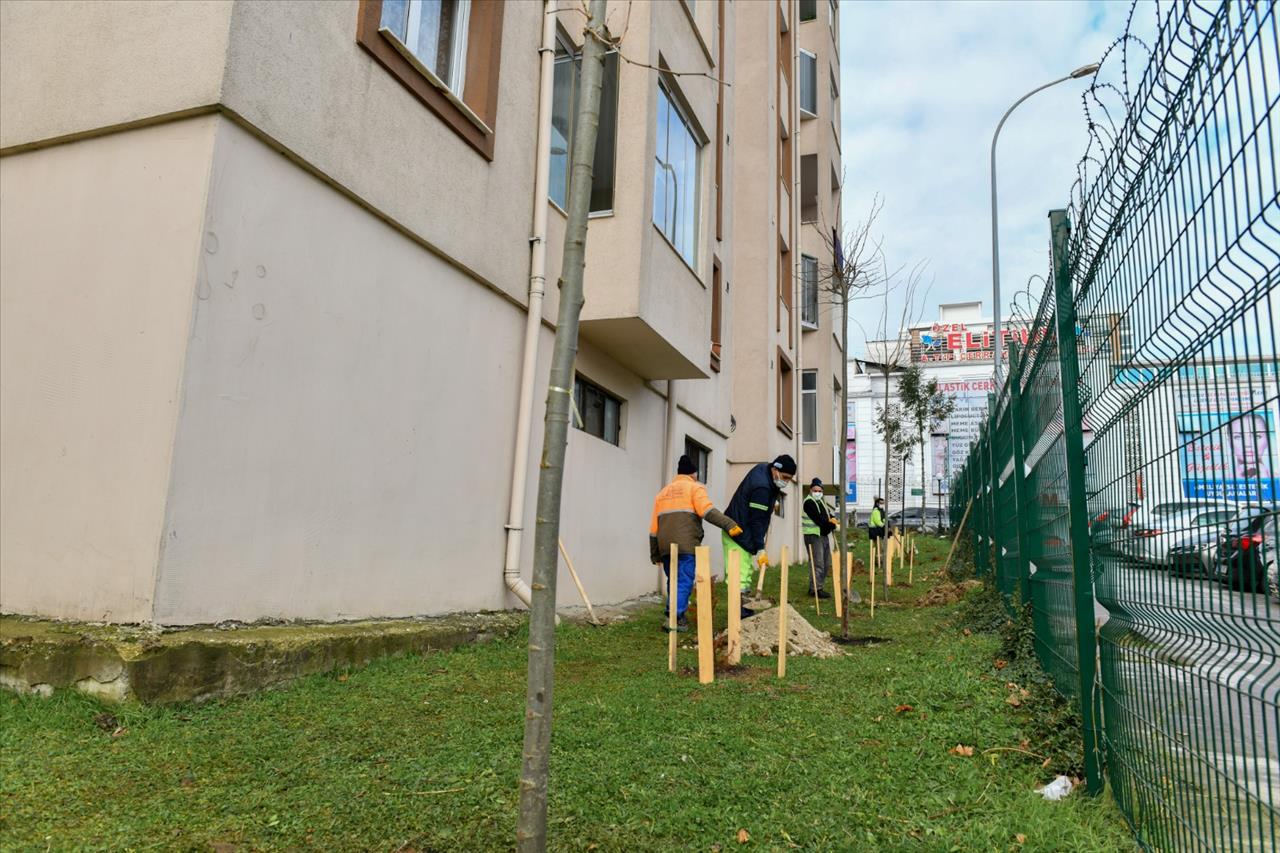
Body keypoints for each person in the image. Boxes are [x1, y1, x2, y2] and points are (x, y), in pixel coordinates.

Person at [649, 455, 742, 631]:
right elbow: (707, 511)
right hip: (686, 544)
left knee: (673, 580)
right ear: (693, 474)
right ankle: (675, 618)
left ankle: (673, 612)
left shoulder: (662, 493)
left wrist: (655, 553)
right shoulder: (694, 488)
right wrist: (729, 524)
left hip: (664, 545)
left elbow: (653, 527)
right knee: (684, 579)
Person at [724, 454, 797, 617]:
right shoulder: (762, 487)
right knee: (739, 572)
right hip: (738, 531)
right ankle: (738, 612)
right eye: (784, 477)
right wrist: (760, 548)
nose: (785, 481)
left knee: (746, 569)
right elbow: (756, 520)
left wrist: (771, 502)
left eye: (789, 479)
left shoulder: (764, 470)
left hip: (743, 527)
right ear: (775, 470)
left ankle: (744, 605)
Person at [803, 478, 838, 598]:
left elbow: (828, 515)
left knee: (826, 563)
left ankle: (820, 586)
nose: (817, 492)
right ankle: (815, 589)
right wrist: (831, 524)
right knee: (817, 562)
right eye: (815, 490)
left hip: (823, 535)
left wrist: (832, 519)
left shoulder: (821, 502)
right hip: (813, 535)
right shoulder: (809, 503)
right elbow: (819, 520)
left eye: (820, 490)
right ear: (811, 490)